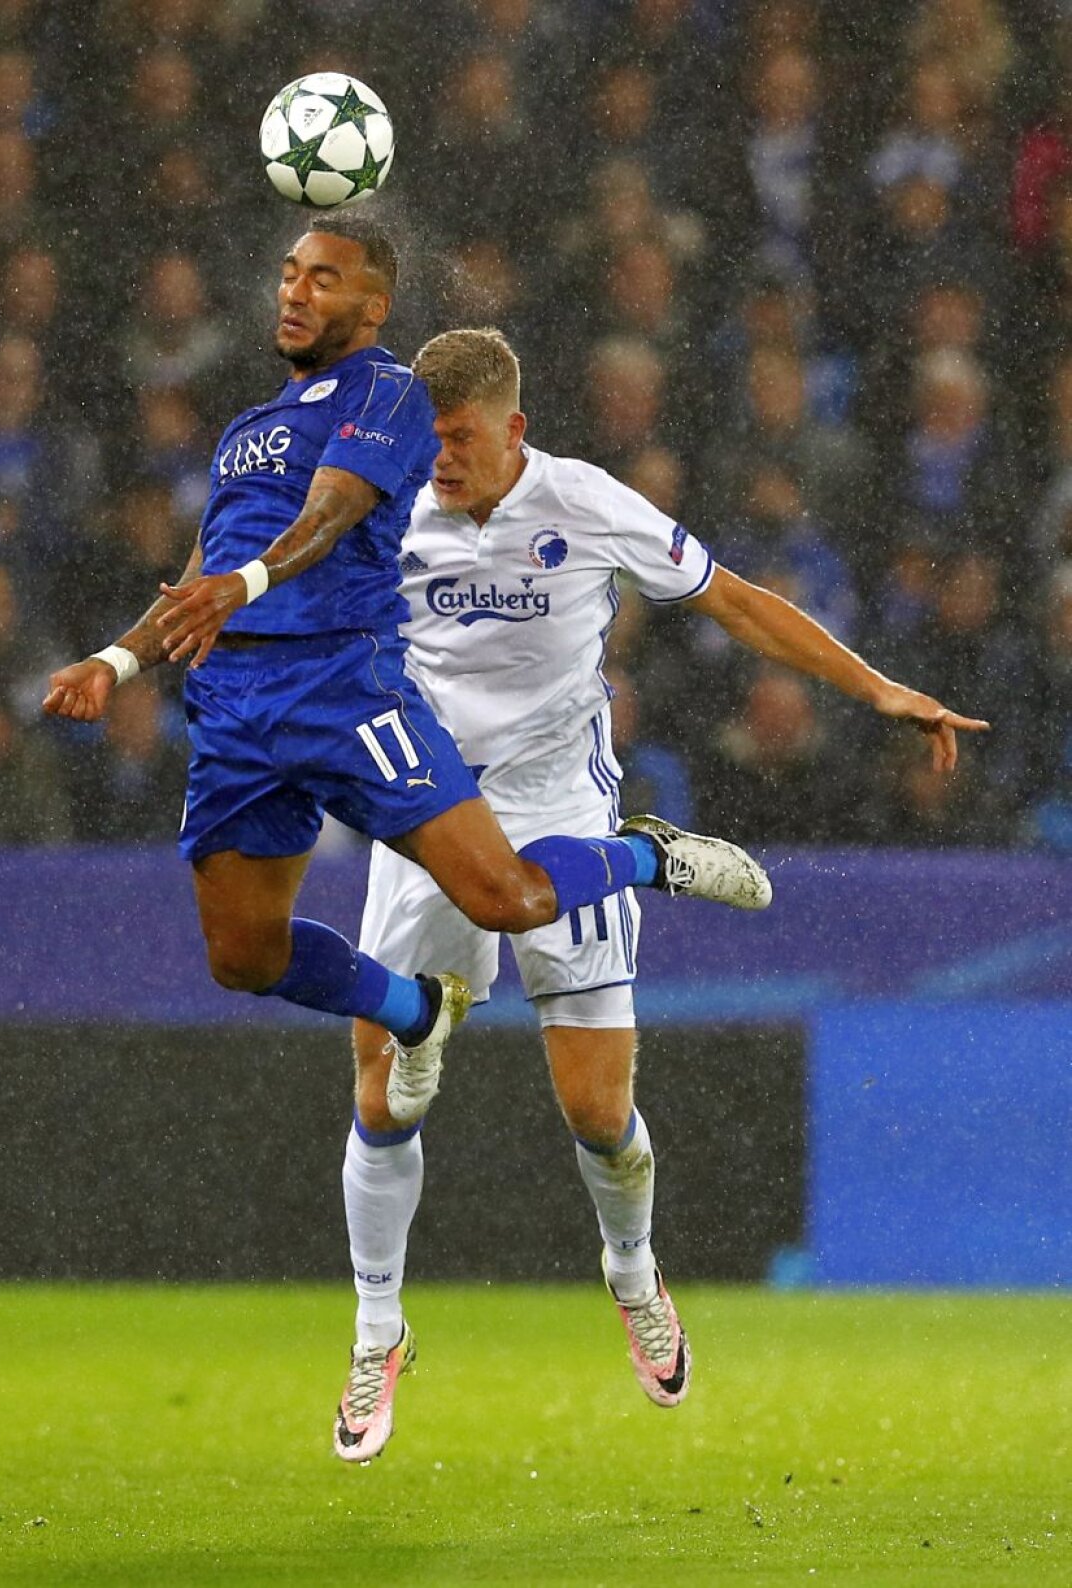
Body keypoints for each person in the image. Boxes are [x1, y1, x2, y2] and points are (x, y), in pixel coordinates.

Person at [333, 327, 990, 1463]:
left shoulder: (583, 502)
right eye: (426, 439)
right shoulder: (388, 512)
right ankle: (376, 1331)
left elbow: (732, 599)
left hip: (555, 807)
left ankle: (632, 1271)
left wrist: (875, 687)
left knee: (596, 1110)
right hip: (430, 811)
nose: (439, 459)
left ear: (515, 431)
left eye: (460, 439)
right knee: (385, 1095)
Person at [42, 216, 772, 1128]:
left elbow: (334, 509)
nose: (295, 291)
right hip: (232, 705)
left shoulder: (390, 394)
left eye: (323, 278)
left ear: (374, 305)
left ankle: (645, 855)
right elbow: (195, 582)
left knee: (506, 899)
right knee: (242, 957)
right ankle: (416, 1011)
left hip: (342, 686)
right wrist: (115, 660)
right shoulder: (247, 430)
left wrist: (249, 582)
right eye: (288, 273)